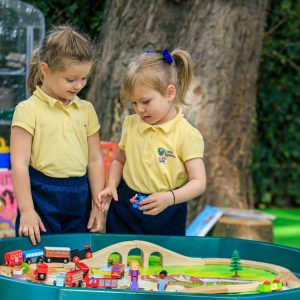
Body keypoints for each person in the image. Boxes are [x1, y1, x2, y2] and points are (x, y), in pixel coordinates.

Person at [10, 25, 106, 245]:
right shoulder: (28, 110)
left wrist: (97, 207)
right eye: (71, 79)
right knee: (38, 257)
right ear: (45, 69)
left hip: (79, 195)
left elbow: (95, 159)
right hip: (41, 196)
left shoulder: (86, 110)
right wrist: (26, 210)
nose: (79, 85)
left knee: (76, 258)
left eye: (84, 78)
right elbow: (20, 164)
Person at [98, 48, 206, 235]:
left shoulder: (187, 134)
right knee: (119, 260)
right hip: (125, 207)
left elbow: (199, 182)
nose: (139, 109)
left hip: (167, 211)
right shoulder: (131, 124)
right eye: (134, 103)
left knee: (163, 263)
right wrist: (111, 185)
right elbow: (119, 160)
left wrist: (169, 198)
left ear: (170, 93)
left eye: (146, 101)